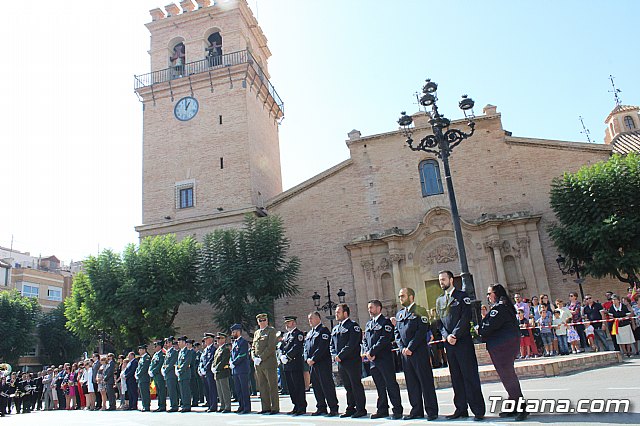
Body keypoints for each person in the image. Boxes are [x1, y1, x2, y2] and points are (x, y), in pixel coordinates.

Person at [436, 271, 485, 421]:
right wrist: (446, 336)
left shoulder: (462, 296)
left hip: (462, 342)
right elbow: (439, 322)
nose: (441, 282)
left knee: (469, 376)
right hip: (449, 345)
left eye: (443, 279)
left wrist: (455, 334)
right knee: (456, 377)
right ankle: (461, 408)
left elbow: (465, 317)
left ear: (451, 280)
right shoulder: (439, 301)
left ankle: (478, 409)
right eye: (440, 280)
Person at [478, 284, 528, 421]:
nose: (488, 296)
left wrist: (479, 329)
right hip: (506, 344)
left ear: (496, 293)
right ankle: (513, 405)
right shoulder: (505, 306)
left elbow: (487, 327)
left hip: (502, 346)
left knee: (508, 376)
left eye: (490, 293)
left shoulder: (499, 308)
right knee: (508, 375)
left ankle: (521, 407)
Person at [396, 287, 438, 421]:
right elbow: (397, 334)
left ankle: (431, 411)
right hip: (406, 355)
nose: (400, 298)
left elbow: (422, 331)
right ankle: (416, 410)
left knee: (425, 382)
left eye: (403, 296)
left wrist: (410, 347)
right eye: (400, 296)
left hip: (418, 352)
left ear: (411, 297)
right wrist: (402, 348)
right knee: (411, 383)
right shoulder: (400, 314)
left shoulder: (421, 311)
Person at [363, 299, 403, 420]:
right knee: (380, 387)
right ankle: (382, 409)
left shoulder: (385, 323)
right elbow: (365, 340)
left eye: (372, 308)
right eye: (369, 308)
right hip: (373, 361)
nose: (369, 310)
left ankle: (397, 410)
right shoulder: (369, 324)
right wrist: (367, 352)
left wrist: (372, 351)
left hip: (384, 359)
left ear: (379, 308)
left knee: (390, 385)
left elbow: (384, 339)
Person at [330, 304, 367, 419]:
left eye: (338, 312)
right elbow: (332, 345)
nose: (336, 314)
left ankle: (361, 408)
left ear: (345, 313)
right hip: (341, 362)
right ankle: (351, 407)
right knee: (347, 386)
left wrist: (340, 355)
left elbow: (352, 344)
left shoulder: (353, 326)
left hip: (352, 361)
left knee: (355, 385)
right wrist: (335, 355)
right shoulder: (336, 328)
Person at [304, 311, 339, 417]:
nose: (310, 320)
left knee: (327, 385)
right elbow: (305, 348)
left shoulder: (323, 331)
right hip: (312, 364)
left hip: (322, 363)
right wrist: (307, 359)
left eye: (312, 318)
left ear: (318, 318)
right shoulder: (310, 333)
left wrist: (313, 358)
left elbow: (322, 347)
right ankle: (321, 407)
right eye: (309, 319)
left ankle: (333, 407)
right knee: (316, 386)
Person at [252, 313, 280, 415]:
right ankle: (265, 407)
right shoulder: (257, 333)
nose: (262, 322)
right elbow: (253, 347)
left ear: (267, 321)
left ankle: (275, 407)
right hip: (258, 364)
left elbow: (271, 347)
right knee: (262, 386)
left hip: (269, 363)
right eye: (260, 321)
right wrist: (254, 357)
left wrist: (261, 357)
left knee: (272, 386)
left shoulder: (271, 331)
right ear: (258, 322)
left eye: (264, 320)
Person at [280, 315, 307, 415]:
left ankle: (301, 406)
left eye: (289, 322)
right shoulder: (286, 335)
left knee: (298, 386)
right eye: (286, 323)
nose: (287, 324)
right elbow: (282, 347)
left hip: (295, 363)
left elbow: (297, 347)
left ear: (294, 323)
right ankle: (295, 405)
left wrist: (287, 356)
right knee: (291, 387)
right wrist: (281, 356)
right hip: (287, 365)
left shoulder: (298, 334)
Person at [230, 323, 251, 414]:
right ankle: (241, 405)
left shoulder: (243, 342)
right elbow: (232, 355)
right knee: (238, 389)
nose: (232, 334)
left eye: (234, 332)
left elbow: (242, 355)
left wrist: (234, 362)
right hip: (236, 370)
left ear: (238, 332)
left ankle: (247, 407)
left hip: (242, 369)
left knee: (244, 389)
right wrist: (231, 361)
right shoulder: (235, 343)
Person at [213, 332, 232, 412]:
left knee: (225, 390)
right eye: (217, 338)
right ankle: (222, 405)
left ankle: (227, 406)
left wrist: (216, 368)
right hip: (217, 373)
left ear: (224, 339)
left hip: (223, 371)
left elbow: (224, 361)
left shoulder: (225, 349)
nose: (218, 340)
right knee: (220, 391)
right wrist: (213, 367)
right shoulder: (218, 349)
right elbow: (214, 360)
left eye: (220, 338)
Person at [199, 332, 218, 412]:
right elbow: (202, 360)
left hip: (210, 372)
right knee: (207, 389)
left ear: (211, 339)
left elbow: (211, 360)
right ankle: (209, 404)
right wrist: (200, 368)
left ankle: (213, 406)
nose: (205, 341)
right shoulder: (205, 350)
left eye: (206, 339)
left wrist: (205, 368)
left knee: (212, 389)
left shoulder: (213, 349)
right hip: (205, 372)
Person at [162, 336, 180, 412]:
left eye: (169, 342)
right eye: (167, 342)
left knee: (173, 390)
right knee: (170, 390)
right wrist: (163, 368)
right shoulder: (168, 352)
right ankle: (173, 404)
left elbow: (172, 363)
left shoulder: (174, 352)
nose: (167, 344)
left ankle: (175, 405)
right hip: (168, 374)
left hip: (171, 373)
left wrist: (165, 370)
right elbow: (165, 363)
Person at [176, 335, 194, 412]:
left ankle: (187, 406)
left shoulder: (188, 351)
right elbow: (178, 362)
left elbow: (186, 363)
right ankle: (184, 404)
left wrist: (179, 370)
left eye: (179, 342)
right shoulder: (180, 352)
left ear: (184, 342)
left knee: (186, 390)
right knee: (182, 390)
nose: (178, 343)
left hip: (185, 373)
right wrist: (176, 369)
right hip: (180, 374)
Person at [147, 341, 166, 412]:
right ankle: (160, 405)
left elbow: (160, 364)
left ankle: (163, 406)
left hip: (159, 375)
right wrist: (150, 370)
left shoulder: (162, 354)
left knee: (161, 391)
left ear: (159, 346)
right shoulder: (155, 355)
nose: (154, 348)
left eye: (155, 346)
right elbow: (152, 364)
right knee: (158, 390)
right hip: (155, 375)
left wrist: (153, 371)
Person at [135, 344, 151, 411]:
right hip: (141, 378)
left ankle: (146, 406)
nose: (139, 351)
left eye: (141, 350)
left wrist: (138, 374)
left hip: (144, 378)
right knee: (142, 393)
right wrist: (136, 373)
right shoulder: (142, 358)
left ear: (144, 350)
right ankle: (144, 405)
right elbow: (139, 367)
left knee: (145, 392)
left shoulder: (147, 357)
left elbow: (144, 368)